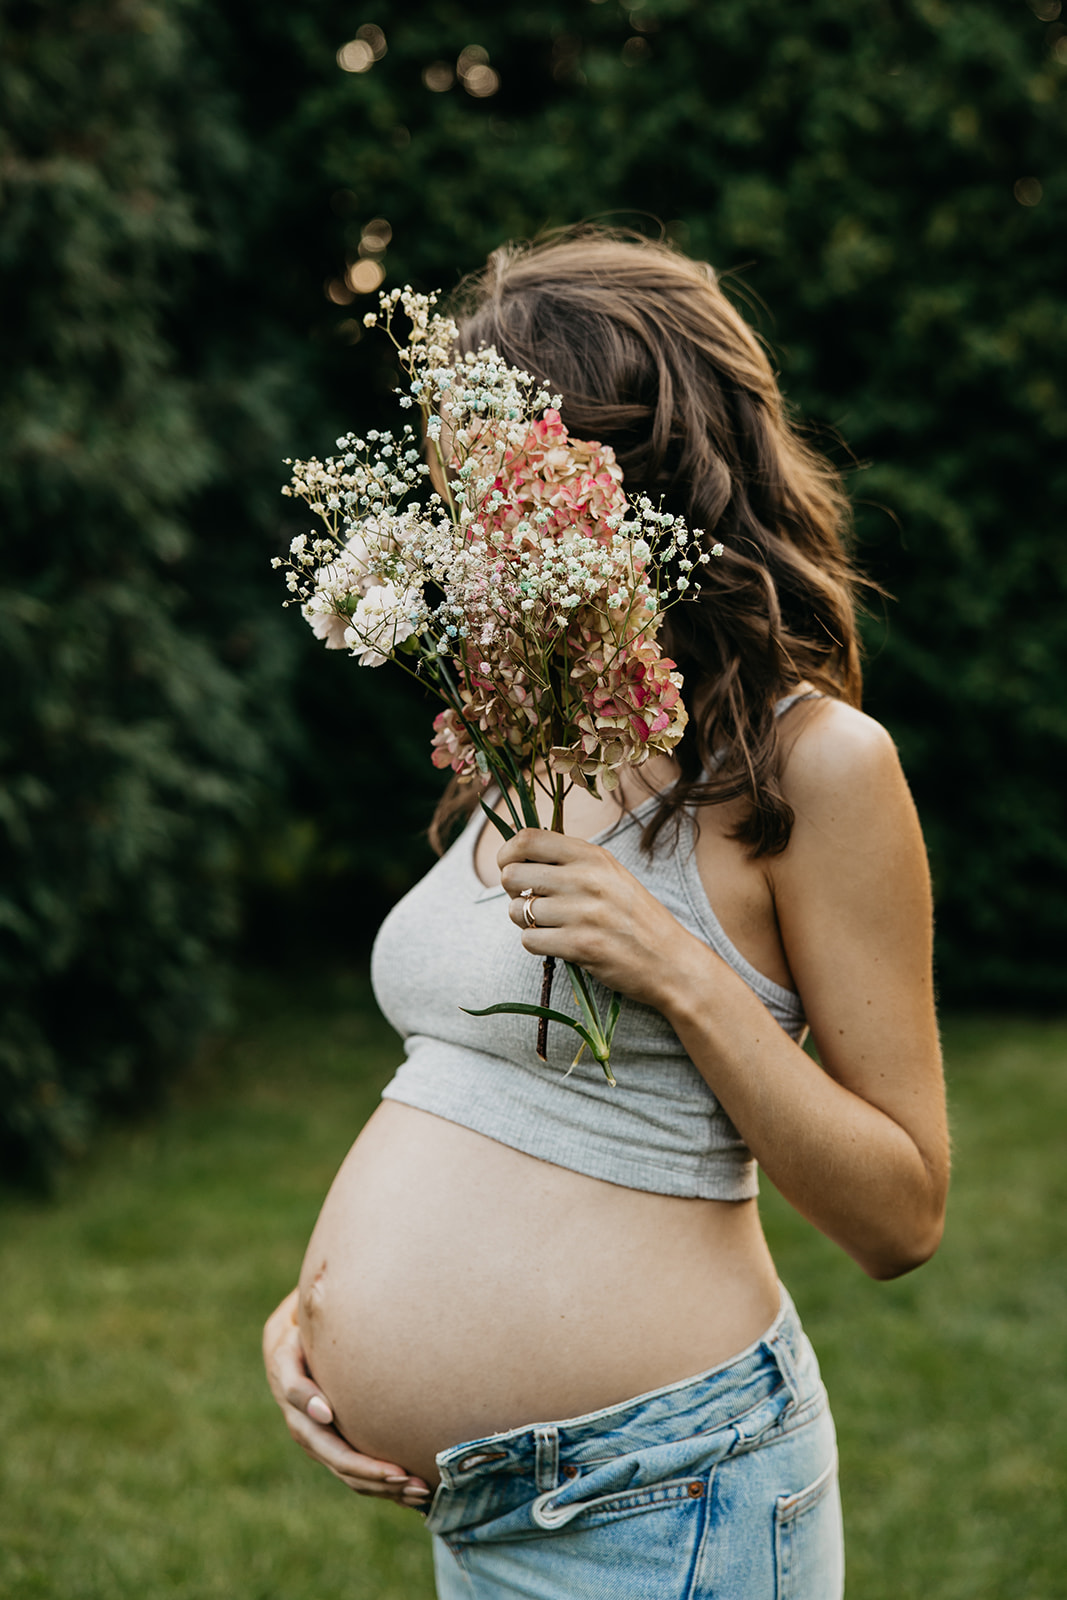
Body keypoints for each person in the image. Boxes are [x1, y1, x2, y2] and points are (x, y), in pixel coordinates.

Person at [262, 230, 949, 1599]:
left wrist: (677, 968)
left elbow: (904, 1214)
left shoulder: (817, 768)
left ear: (631, 486)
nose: (467, 544)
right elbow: (473, 1085)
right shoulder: (527, 736)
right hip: (493, 1504)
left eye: (492, 495)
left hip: (662, 1493)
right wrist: (315, 1317)